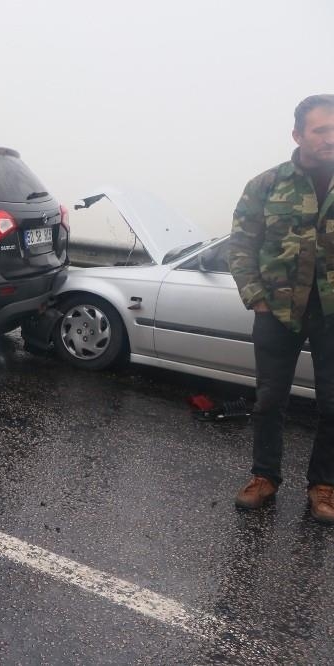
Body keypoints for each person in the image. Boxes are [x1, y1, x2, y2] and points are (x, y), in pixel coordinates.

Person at [230, 94, 334, 522]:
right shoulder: (267, 185)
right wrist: (256, 298)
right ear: (298, 134)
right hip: (276, 311)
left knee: (333, 403)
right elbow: (241, 244)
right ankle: (265, 476)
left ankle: (324, 485)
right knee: (270, 400)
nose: (330, 139)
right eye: (321, 130)